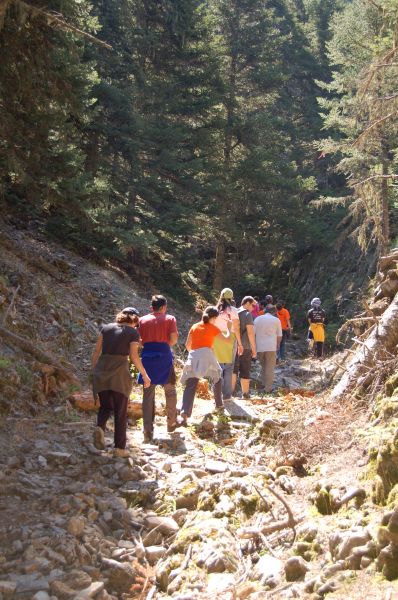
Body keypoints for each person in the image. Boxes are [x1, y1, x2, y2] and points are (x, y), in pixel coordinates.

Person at [91, 307, 151, 457]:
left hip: (102, 371)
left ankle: (100, 427)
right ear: (134, 320)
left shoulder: (106, 328)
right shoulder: (132, 332)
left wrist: (94, 371)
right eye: (137, 323)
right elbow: (134, 357)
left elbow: (97, 351)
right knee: (120, 411)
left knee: (105, 406)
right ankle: (119, 448)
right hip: (119, 375)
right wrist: (144, 374)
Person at [138, 295, 179, 443]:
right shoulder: (170, 319)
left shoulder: (142, 320)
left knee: (148, 394)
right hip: (164, 356)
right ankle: (171, 422)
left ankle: (147, 431)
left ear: (152, 307)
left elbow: (139, 340)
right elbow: (173, 339)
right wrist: (164, 344)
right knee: (170, 390)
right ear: (163, 307)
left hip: (147, 357)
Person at [179, 306, 226, 426]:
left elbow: (187, 344)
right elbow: (225, 340)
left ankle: (184, 412)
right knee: (217, 377)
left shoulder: (194, 326)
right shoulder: (213, 328)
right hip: (207, 354)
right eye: (215, 319)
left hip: (194, 355)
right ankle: (219, 405)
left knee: (191, 383)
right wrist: (229, 328)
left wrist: (195, 353)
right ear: (214, 317)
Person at [212, 288, 243, 400]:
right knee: (229, 367)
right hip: (230, 338)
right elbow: (236, 328)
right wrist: (240, 344)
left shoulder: (215, 309)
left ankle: (216, 394)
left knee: (217, 366)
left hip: (217, 338)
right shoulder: (233, 310)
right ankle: (227, 395)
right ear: (231, 297)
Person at [232, 296, 257, 398]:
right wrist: (254, 349)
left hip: (233, 346)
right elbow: (250, 333)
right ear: (247, 303)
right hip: (245, 346)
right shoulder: (247, 314)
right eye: (253, 305)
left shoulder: (234, 312)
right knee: (245, 369)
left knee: (233, 370)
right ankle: (245, 394)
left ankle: (230, 393)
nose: (253, 308)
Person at [254, 304, 282, 393]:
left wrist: (253, 346)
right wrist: (278, 345)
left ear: (265, 310)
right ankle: (268, 388)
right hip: (271, 346)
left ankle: (263, 383)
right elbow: (279, 336)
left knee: (263, 366)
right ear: (274, 312)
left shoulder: (257, 319)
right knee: (270, 367)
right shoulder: (276, 320)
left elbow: (253, 334)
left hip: (259, 347)